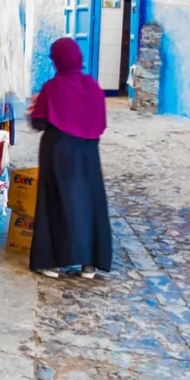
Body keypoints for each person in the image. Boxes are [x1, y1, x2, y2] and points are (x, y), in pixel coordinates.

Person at [27, 38, 112, 279]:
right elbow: (101, 124)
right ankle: (89, 265)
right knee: (88, 204)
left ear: (58, 61)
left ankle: (53, 263)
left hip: (58, 153)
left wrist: (34, 109)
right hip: (88, 154)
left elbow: (39, 121)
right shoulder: (93, 86)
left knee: (56, 203)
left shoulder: (53, 87)